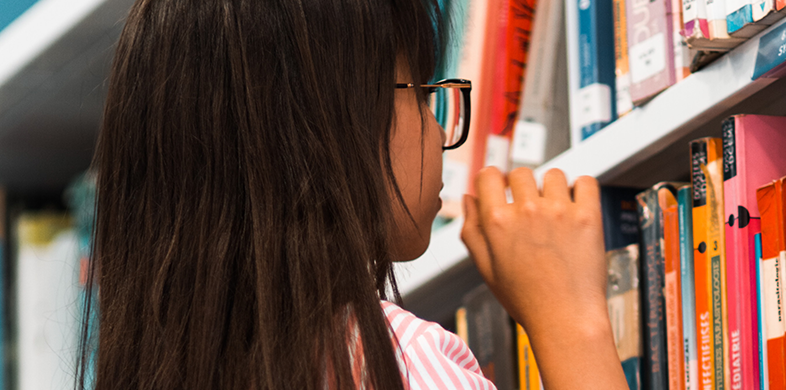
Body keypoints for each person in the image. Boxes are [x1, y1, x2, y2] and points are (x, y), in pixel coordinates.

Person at [80, 0, 628, 388]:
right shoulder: (399, 364)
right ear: (323, 129)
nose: (440, 133)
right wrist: (571, 321)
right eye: (422, 94)